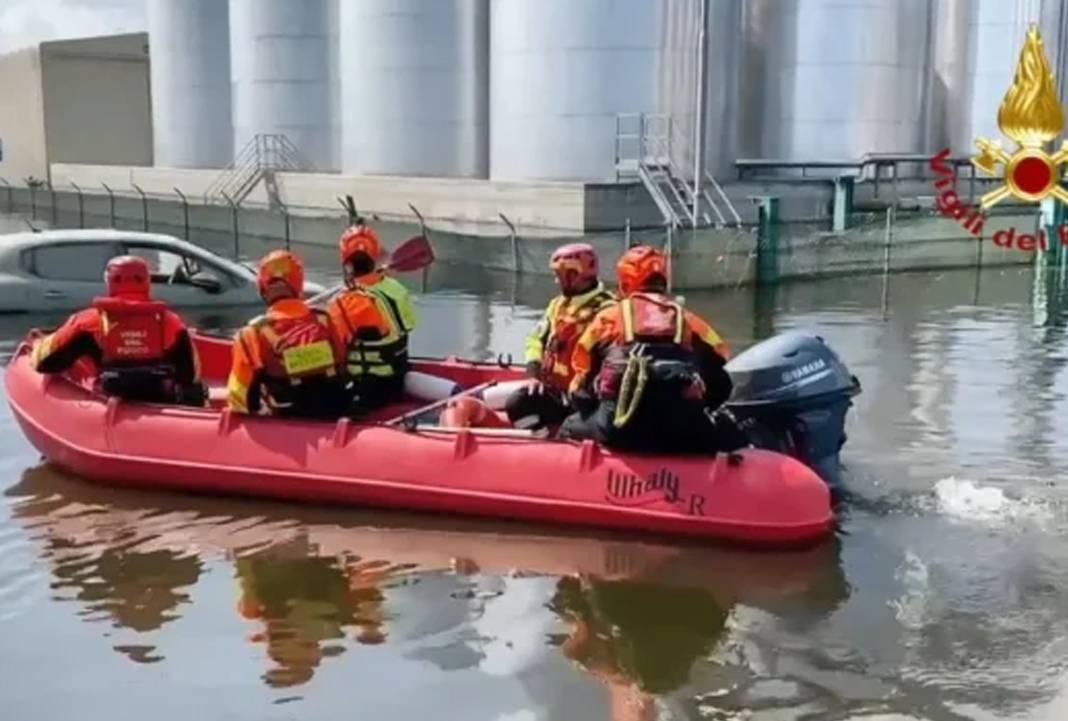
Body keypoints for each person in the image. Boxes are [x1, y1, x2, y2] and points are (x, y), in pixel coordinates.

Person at [560, 245, 746, 454]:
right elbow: (720, 379)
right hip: (683, 432)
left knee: (568, 426)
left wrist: (591, 407)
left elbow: (580, 387)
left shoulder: (608, 318)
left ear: (625, 280)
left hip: (618, 430)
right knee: (730, 432)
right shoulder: (689, 321)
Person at [30, 255, 204, 405]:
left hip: (110, 396)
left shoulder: (89, 321)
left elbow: (47, 363)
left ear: (109, 281)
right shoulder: (170, 322)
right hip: (159, 398)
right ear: (147, 281)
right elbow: (190, 376)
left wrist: (37, 344)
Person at [226, 250, 350, 419]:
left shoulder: (250, 335)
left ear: (262, 288)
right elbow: (343, 364)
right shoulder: (325, 320)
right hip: (335, 418)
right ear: (299, 285)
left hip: (286, 426)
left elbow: (239, 400)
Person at [505, 243, 616, 430]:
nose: (557, 281)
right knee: (506, 400)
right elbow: (535, 339)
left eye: (560, 275)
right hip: (553, 389)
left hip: (582, 399)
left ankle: (548, 442)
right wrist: (534, 374)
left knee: (517, 403)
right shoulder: (557, 305)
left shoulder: (608, 310)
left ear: (575, 274)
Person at [327, 223, 417, 409]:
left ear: (346, 261)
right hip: (397, 377)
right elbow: (411, 324)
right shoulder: (395, 287)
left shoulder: (345, 302)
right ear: (375, 255)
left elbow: (334, 349)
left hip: (366, 388)